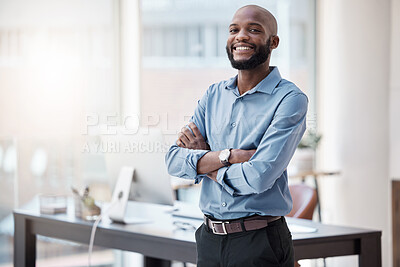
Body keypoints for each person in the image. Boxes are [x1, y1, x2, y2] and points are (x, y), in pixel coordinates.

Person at [165, 5, 308, 267]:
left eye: (254, 30)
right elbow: (173, 160)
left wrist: (206, 162)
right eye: (234, 30)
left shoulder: (290, 99)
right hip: (209, 239)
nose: (241, 36)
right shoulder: (213, 95)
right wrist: (229, 156)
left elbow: (259, 176)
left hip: (259, 241)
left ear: (273, 42)